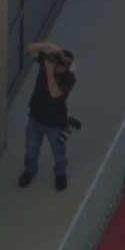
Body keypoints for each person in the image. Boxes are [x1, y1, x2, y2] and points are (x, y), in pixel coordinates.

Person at [18, 42, 77, 191]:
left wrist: (50, 71)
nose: (60, 66)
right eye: (59, 62)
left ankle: (60, 174)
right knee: (31, 150)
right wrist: (49, 45)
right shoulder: (48, 62)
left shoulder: (69, 78)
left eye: (65, 65)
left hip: (55, 123)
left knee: (59, 153)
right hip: (35, 118)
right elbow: (30, 49)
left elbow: (54, 93)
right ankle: (29, 171)